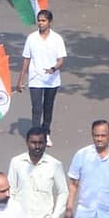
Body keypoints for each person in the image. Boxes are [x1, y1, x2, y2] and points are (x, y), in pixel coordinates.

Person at [16, 10, 66, 143]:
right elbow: (26, 59)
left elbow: (61, 60)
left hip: (52, 80)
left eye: (43, 20)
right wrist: (20, 80)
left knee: (47, 108)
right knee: (36, 109)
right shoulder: (31, 38)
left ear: (50, 22)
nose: (40, 23)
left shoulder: (57, 39)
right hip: (35, 79)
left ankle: (46, 133)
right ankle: (36, 136)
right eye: (39, 20)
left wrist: (53, 69)